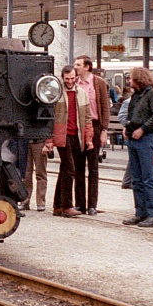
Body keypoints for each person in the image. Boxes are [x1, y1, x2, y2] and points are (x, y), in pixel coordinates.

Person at [47, 65, 92, 218]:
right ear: (62, 77)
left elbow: (87, 118)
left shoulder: (82, 94)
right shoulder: (56, 93)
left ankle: (57, 206)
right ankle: (67, 206)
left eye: (73, 78)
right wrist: (49, 141)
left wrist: (89, 139)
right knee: (70, 169)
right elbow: (49, 118)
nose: (70, 81)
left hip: (76, 135)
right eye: (67, 79)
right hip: (62, 135)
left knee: (64, 169)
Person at [120, 67, 153, 227]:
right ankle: (140, 212)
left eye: (131, 78)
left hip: (145, 139)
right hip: (133, 138)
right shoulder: (136, 96)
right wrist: (128, 127)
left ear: (138, 79)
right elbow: (133, 116)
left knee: (148, 178)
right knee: (136, 179)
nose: (129, 81)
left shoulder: (152, 94)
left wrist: (143, 129)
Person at [74, 56, 109, 215]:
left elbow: (105, 107)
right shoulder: (75, 83)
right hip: (79, 126)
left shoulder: (99, 83)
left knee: (93, 167)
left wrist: (104, 130)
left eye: (78, 64)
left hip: (94, 125)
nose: (76, 67)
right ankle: (80, 203)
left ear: (87, 67)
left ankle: (92, 204)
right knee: (78, 166)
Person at [21, 134, 49, 212]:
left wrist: (48, 143)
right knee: (26, 175)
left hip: (40, 142)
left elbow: (49, 126)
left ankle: (41, 202)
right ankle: (25, 201)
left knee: (40, 174)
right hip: (25, 142)